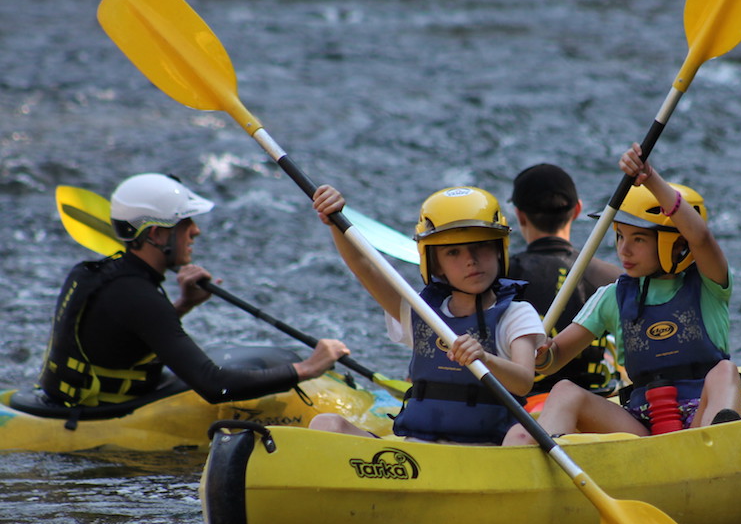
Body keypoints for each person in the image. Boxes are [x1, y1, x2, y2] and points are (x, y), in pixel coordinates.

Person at [37, 173, 349, 408]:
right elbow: (215, 387)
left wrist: (184, 304)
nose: (196, 231)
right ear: (158, 234)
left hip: (72, 400)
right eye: (186, 223)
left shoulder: (99, 273)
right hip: (95, 413)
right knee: (256, 369)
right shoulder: (137, 295)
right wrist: (309, 368)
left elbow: (116, 343)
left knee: (257, 361)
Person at [503, 144, 741, 445]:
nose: (623, 249)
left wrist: (651, 178)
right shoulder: (612, 296)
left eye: (638, 239)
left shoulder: (709, 284)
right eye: (618, 236)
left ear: (677, 243)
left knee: (724, 371)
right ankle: (550, 465)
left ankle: (722, 445)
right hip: (642, 422)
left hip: (701, 419)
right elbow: (555, 357)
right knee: (564, 389)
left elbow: (700, 236)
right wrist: (541, 351)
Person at [308, 184, 545, 444]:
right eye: (453, 252)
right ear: (436, 264)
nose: (471, 260)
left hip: (485, 452)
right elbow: (364, 266)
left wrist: (484, 358)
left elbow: (523, 382)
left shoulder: (516, 314)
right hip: (418, 453)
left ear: (500, 250)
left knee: (524, 435)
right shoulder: (421, 312)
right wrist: (336, 221)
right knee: (325, 424)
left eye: (481, 246)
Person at [506, 163, 621, 396]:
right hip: (594, 401)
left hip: (520, 400)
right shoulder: (613, 279)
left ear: (519, 215)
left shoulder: (498, 276)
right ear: (577, 210)